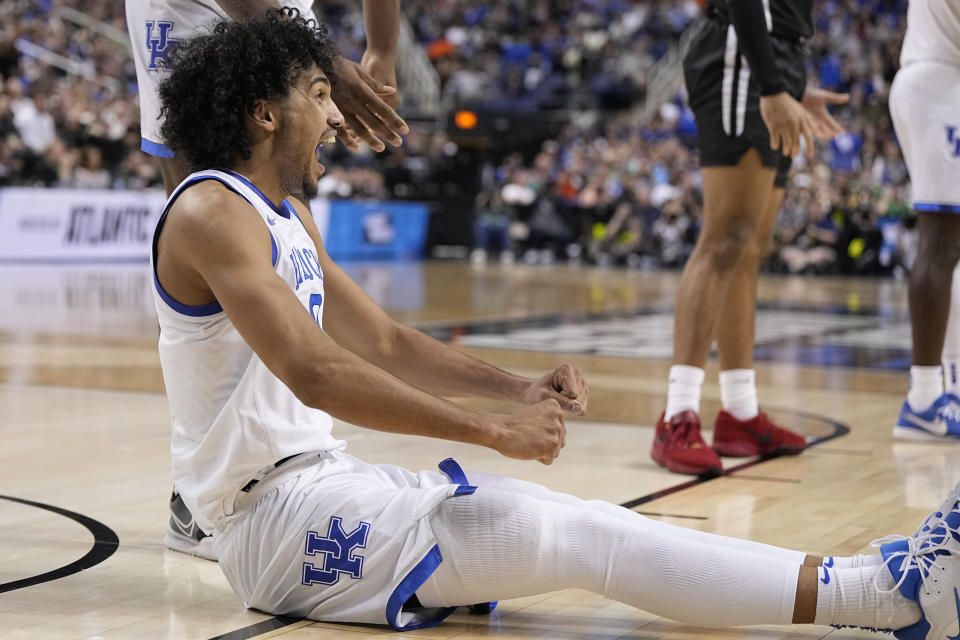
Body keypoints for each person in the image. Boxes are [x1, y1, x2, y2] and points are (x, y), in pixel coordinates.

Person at [149, 12, 959, 636]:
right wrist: (492, 428)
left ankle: (872, 580)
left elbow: (387, 344)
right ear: (263, 113)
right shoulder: (212, 211)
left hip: (326, 483)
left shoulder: (285, 212)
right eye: (318, 95)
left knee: (581, 520)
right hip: (270, 526)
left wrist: (517, 386)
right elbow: (317, 372)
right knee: (549, 530)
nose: (335, 118)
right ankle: (882, 596)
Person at [125, 0, 410, 559]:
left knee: (287, 240)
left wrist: (383, 47)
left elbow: (384, 342)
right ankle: (201, 493)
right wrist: (326, 60)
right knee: (214, 218)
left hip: (287, 21)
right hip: (194, 14)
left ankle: (287, 456)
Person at [651, 0, 849, 475]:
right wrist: (772, 84)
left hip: (769, 55)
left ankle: (740, 413)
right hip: (743, 54)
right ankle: (677, 415)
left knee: (747, 248)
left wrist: (790, 84)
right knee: (724, 239)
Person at [125, 0, 409, 197]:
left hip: (289, 10)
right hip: (188, 9)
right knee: (209, 189)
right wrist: (321, 62)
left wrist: (382, 50)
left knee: (291, 189)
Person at [889, 0, 960, 441]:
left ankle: (945, 386)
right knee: (941, 243)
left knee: (951, 247)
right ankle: (923, 399)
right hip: (939, 82)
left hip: (936, 79)